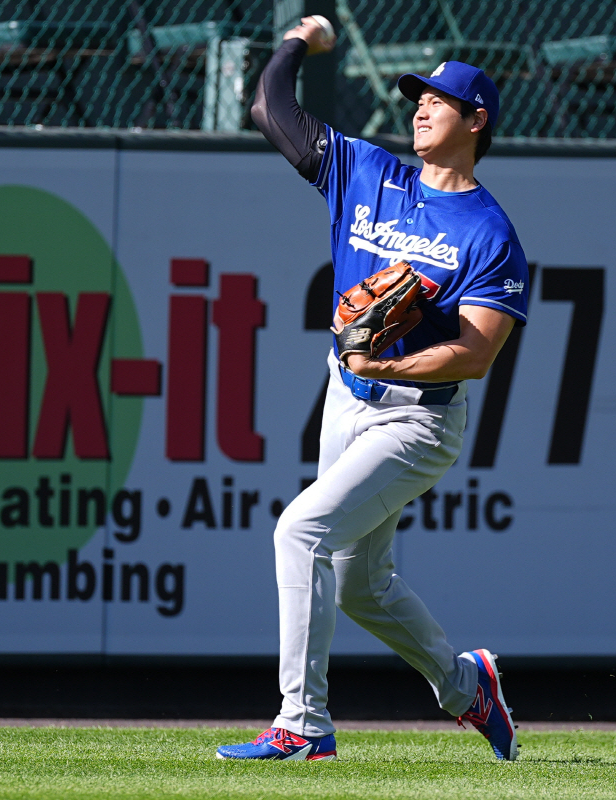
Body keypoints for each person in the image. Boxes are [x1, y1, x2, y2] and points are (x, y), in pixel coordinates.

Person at [216, 15, 530, 762]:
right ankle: (466, 688)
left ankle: (304, 724)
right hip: (345, 394)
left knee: (300, 531)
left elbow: (476, 352)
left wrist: (384, 366)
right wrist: (298, 42)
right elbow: (270, 109)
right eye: (416, 97)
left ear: (475, 120)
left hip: (417, 422)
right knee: (359, 582)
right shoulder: (368, 172)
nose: (420, 107)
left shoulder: (490, 234)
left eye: (438, 100)